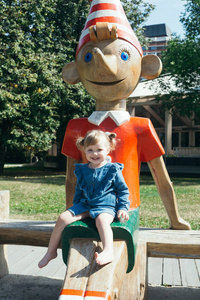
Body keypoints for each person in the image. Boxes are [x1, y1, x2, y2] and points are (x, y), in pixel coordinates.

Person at [38, 130, 130, 268]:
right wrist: (75, 210)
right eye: (90, 150)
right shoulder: (83, 169)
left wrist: (122, 208)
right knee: (63, 218)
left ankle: (108, 251)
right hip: (85, 205)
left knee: (101, 221)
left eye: (99, 149)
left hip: (105, 207)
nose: (94, 154)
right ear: (84, 150)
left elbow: (123, 191)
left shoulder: (112, 169)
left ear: (108, 149)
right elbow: (79, 190)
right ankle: (51, 252)